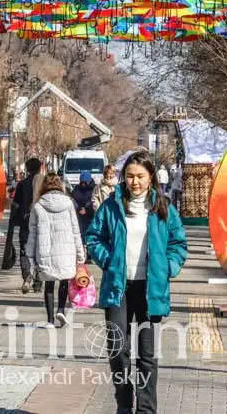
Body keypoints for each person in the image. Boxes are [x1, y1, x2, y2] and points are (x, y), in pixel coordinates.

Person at [86, 150, 188, 414]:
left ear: (151, 177)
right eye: (130, 176)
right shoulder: (111, 206)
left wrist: (169, 266)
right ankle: (123, 403)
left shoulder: (163, 207)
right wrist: (108, 260)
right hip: (118, 288)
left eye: (140, 176)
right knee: (118, 352)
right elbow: (93, 238)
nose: (135, 182)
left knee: (147, 356)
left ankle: (146, 410)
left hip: (150, 289)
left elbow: (178, 243)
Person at [26, 173, 85, 328]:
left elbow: (32, 233)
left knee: (49, 284)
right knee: (64, 280)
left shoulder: (37, 206)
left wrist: (29, 255)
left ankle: (50, 320)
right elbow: (75, 229)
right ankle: (61, 310)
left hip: (45, 250)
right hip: (67, 249)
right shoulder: (68, 203)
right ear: (60, 185)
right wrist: (80, 253)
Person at [11, 158, 44, 293]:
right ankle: (38, 282)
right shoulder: (44, 183)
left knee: (25, 251)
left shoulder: (22, 184)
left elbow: (16, 205)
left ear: (27, 169)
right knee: (40, 251)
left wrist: (16, 221)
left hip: (25, 223)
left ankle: (27, 276)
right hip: (41, 223)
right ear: (40, 168)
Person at [72, 170, 96, 243]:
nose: (83, 184)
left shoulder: (95, 188)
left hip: (91, 216)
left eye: (85, 182)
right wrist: (78, 208)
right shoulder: (76, 188)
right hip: (79, 216)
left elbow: (95, 201)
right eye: (82, 182)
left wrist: (87, 209)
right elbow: (73, 199)